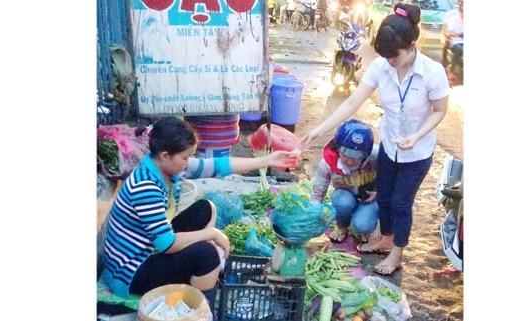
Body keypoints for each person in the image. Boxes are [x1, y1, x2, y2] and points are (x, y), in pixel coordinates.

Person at [299, 3, 450, 276]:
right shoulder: (381, 67)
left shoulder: (432, 72)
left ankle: (396, 254)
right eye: (386, 55)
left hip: (417, 152)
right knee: (385, 198)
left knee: (401, 202)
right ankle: (387, 237)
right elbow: (352, 102)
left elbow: (440, 111)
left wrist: (417, 135)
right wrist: (320, 129)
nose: (390, 60)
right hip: (391, 146)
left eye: (395, 55)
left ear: (412, 44)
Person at [100, 117, 297, 308]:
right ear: (165, 155)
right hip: (130, 271)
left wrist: (268, 160)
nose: (188, 162)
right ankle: (201, 309)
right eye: (185, 157)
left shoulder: (166, 167)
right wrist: (211, 234)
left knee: (205, 208)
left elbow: (219, 166)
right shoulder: (146, 186)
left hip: (148, 248)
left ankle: (202, 276)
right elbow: (166, 244)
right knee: (207, 255)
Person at [309, 120, 381, 249]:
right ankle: (342, 227)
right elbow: (317, 196)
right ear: (337, 148)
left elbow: (396, 185)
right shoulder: (327, 164)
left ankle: (369, 225)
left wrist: (380, 193)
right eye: (345, 154)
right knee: (341, 200)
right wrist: (313, 217)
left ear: (367, 153)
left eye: (357, 156)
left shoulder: (378, 156)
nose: (350, 160)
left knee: (362, 225)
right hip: (345, 197)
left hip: (370, 200)